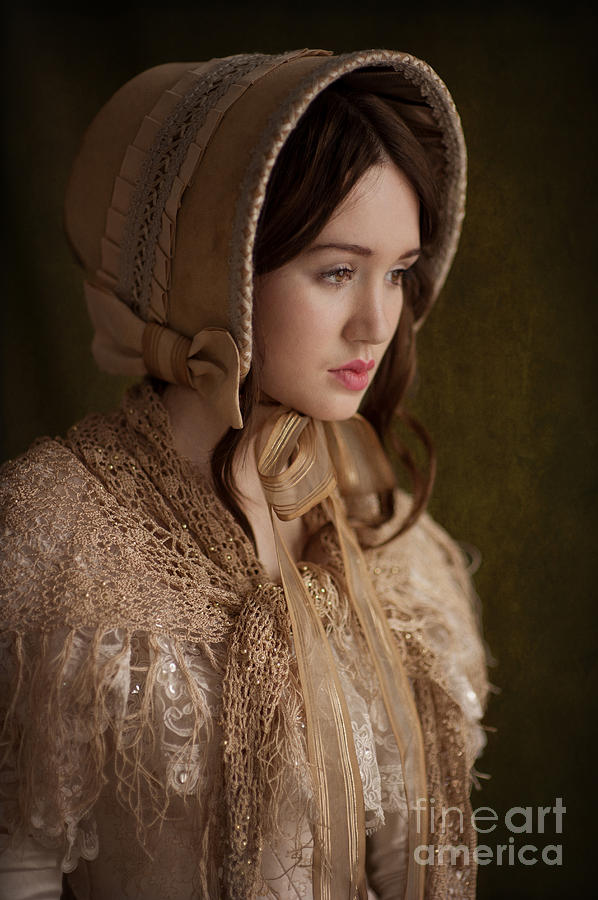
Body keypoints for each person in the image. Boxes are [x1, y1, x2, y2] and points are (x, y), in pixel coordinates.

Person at [0, 48, 490, 899]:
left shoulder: (384, 523)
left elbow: (419, 854)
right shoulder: (53, 533)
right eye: (337, 272)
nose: (378, 322)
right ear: (214, 271)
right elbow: (19, 860)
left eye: (399, 274)